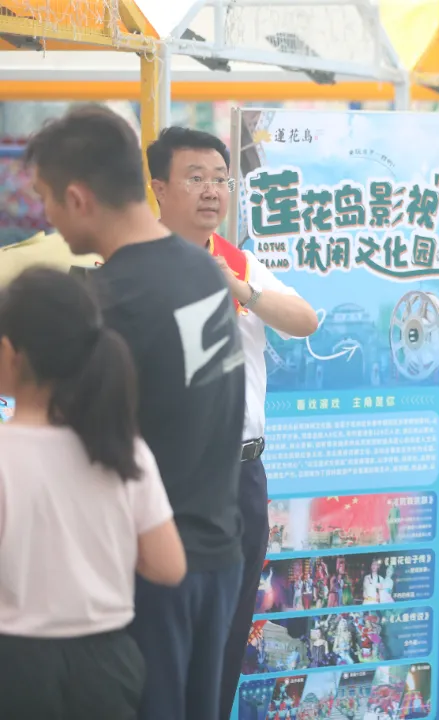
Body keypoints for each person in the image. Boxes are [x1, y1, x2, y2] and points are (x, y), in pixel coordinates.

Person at [23, 104, 247, 720]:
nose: (45, 216)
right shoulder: (203, 271)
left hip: (148, 568)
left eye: (45, 198)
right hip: (217, 553)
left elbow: (68, 447)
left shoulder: (108, 305)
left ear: (77, 197)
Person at [146, 126, 319, 720]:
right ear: (158, 187)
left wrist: (240, 288)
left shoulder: (240, 261)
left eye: (221, 179)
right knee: (164, 625)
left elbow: (305, 320)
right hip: (166, 476)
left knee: (229, 627)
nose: (212, 191)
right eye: (195, 177)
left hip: (242, 473)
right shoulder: (136, 264)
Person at [0, 267, 187, 719]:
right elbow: (168, 566)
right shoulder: (124, 449)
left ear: (10, 354)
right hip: (108, 666)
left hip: (15, 668)